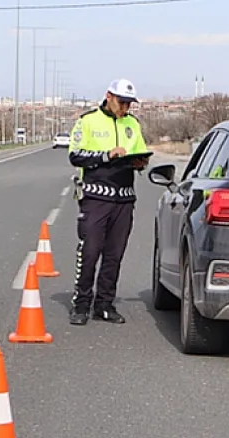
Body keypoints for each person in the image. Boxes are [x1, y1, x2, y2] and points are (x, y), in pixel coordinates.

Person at [67, 78, 149, 326]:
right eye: (122, 103)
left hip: (124, 198)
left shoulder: (132, 124)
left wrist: (140, 162)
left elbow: (140, 151)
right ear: (109, 97)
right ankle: (81, 304)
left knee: (114, 255)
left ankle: (104, 304)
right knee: (90, 251)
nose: (125, 108)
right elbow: (75, 155)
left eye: (129, 104)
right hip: (95, 198)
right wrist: (106, 155)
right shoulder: (88, 121)